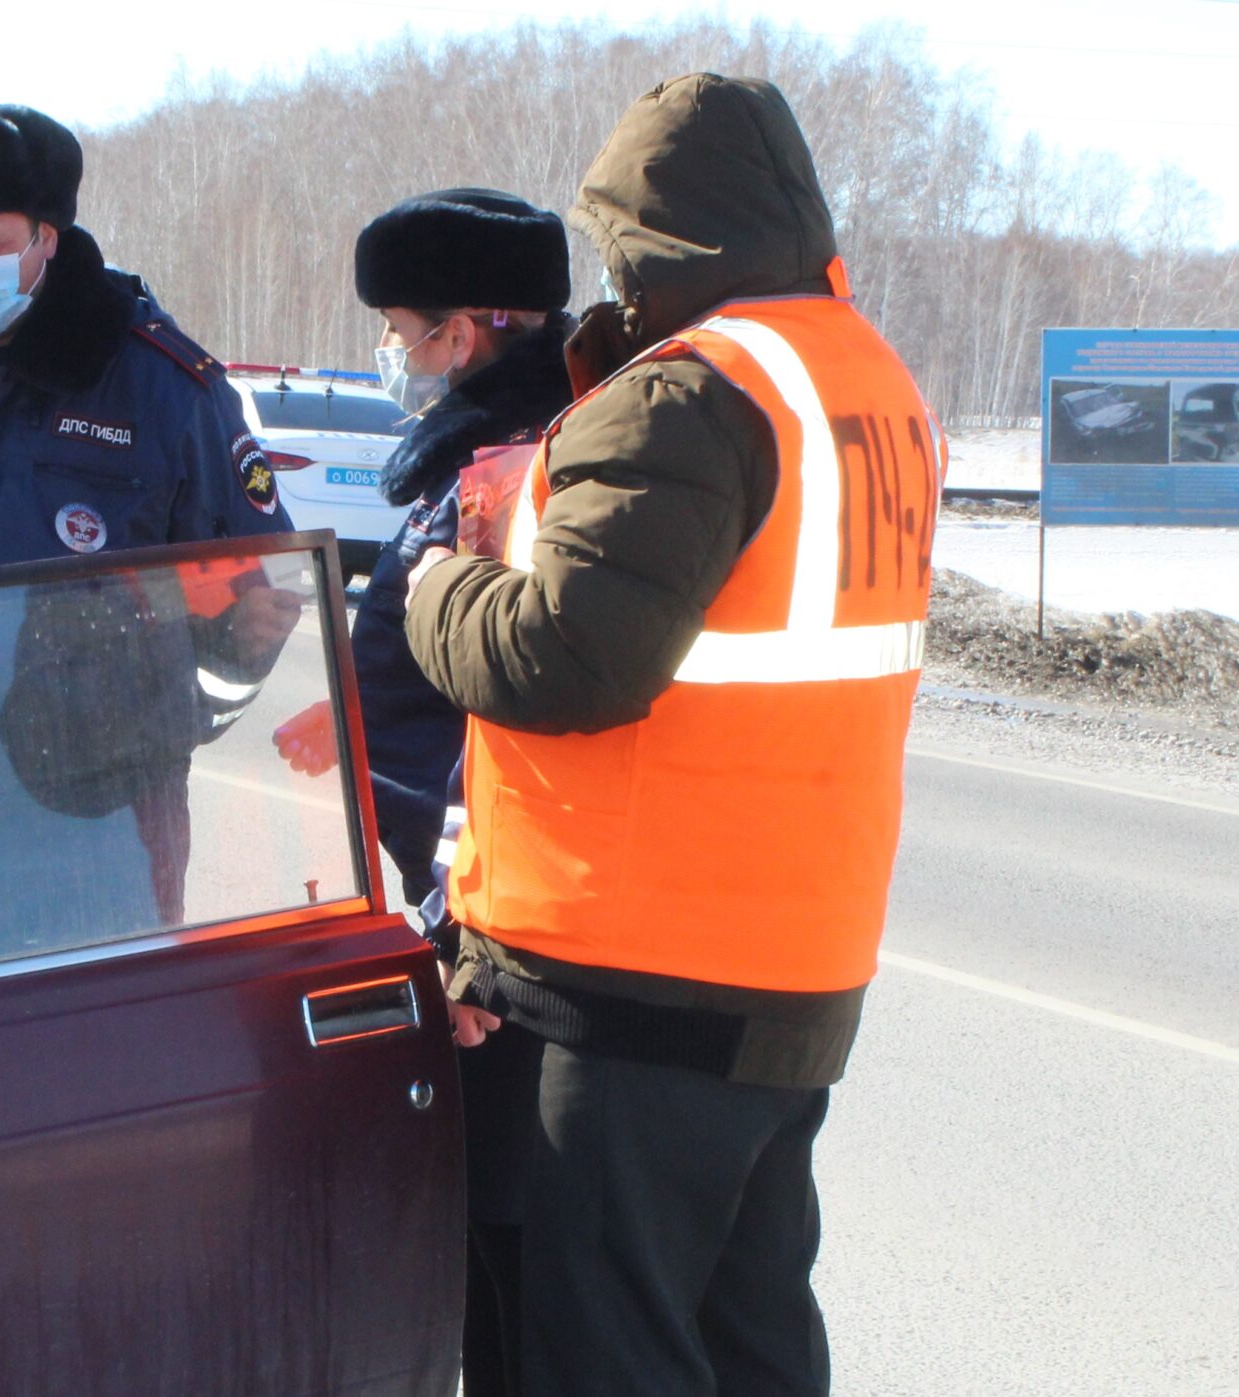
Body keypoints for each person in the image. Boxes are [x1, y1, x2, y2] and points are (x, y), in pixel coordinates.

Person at [403, 75, 944, 1395]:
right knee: (747, 1336)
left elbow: (564, 654)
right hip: (790, 971)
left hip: (634, 983)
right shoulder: (871, 385)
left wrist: (438, 590)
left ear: (647, 239)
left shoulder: (687, 397)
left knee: (603, 1351)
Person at [0, 103, 298, 963]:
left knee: (83, 1077)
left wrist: (143, 725)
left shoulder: (159, 391)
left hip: (96, 828)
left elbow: (257, 600)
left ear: (46, 237)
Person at [269, 187, 578, 1397]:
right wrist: (343, 700)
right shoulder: (469, 450)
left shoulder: (520, 464)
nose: (393, 353)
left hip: (496, 915)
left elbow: (504, 710)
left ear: (468, 328)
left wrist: (470, 939)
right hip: (450, 879)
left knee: (505, 1243)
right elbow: (416, 639)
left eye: (403, 328)